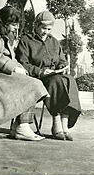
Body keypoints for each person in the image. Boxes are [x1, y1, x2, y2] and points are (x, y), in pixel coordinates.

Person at [0, 5, 49, 141]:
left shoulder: (5, 35)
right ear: (4, 22)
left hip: (3, 72)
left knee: (32, 82)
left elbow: (12, 58)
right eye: (13, 24)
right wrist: (14, 68)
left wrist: (21, 68)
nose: (15, 28)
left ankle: (19, 125)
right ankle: (22, 126)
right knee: (34, 85)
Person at [16, 10, 81, 141]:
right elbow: (22, 63)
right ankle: (56, 122)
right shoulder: (26, 40)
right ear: (36, 26)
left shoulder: (54, 42)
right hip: (37, 77)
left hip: (53, 75)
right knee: (56, 81)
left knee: (70, 81)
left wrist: (62, 67)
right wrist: (40, 71)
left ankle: (65, 123)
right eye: (43, 28)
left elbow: (61, 60)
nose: (45, 31)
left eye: (49, 29)